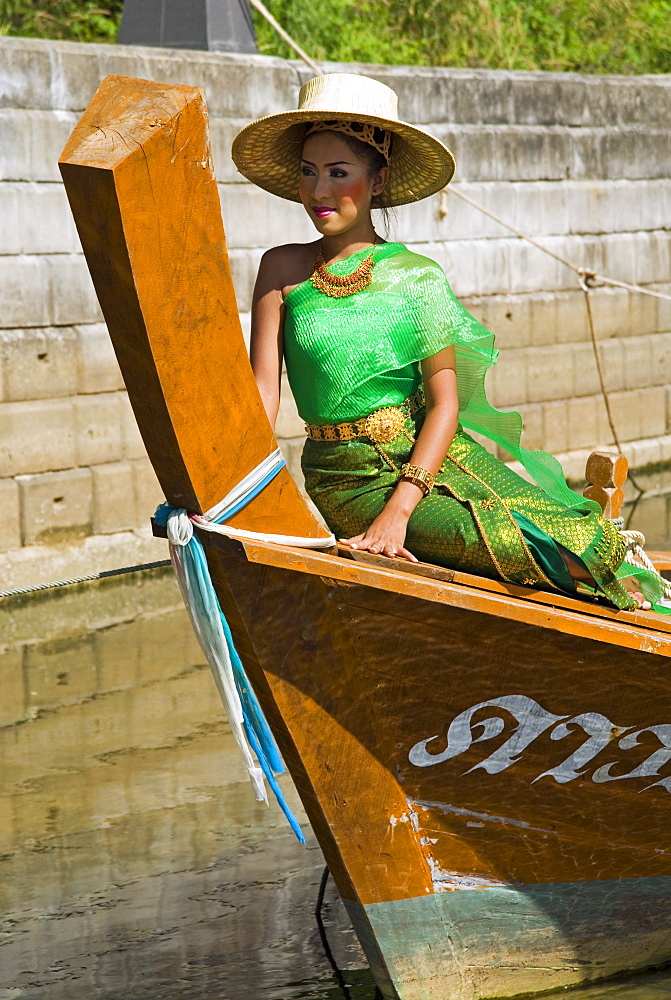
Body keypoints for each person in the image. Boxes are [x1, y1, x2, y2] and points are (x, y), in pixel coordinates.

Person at [232, 72, 664, 613]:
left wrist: (401, 511)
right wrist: (217, 490)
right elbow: (260, 397)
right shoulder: (281, 269)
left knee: (590, 546)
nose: (319, 191)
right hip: (345, 478)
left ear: (378, 180)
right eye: (308, 172)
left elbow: (445, 405)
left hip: (432, 459)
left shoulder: (418, 278)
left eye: (338, 173)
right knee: (535, 550)